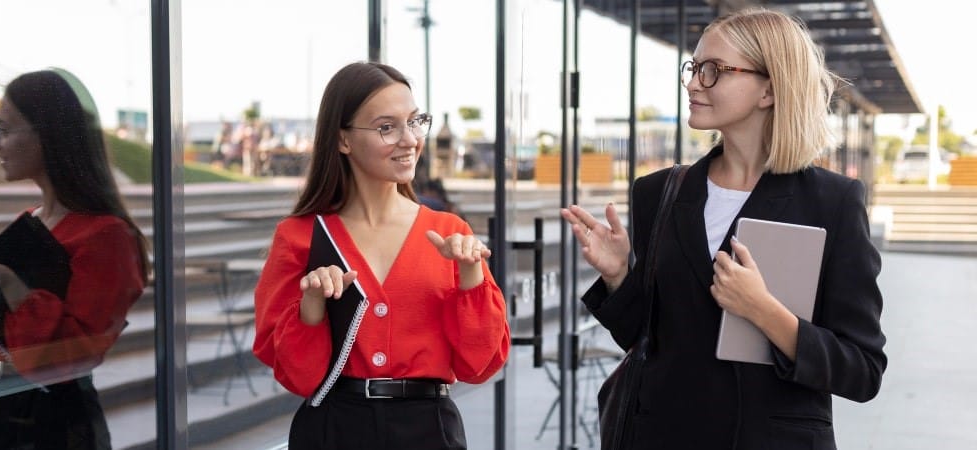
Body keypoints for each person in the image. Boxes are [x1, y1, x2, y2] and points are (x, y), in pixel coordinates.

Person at [561, 8, 886, 449]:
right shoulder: (658, 192)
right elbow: (648, 342)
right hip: (663, 435)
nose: (693, 83)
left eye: (714, 70)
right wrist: (619, 275)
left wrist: (764, 311)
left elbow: (862, 370)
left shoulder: (833, 202)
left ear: (769, 90)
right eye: (693, 68)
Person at [253, 61, 510, 450]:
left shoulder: (450, 233)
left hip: (428, 430)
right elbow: (298, 377)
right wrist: (312, 307)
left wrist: (471, 276)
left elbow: (480, 364)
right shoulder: (300, 236)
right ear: (343, 140)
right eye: (386, 127)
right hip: (333, 430)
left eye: (414, 121)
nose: (409, 140)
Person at [0, 69, 149, 448]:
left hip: (46, 429)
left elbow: (71, 356)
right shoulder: (35, 220)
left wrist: (8, 282)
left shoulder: (108, 238)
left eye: (4, 128)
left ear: (47, 134)